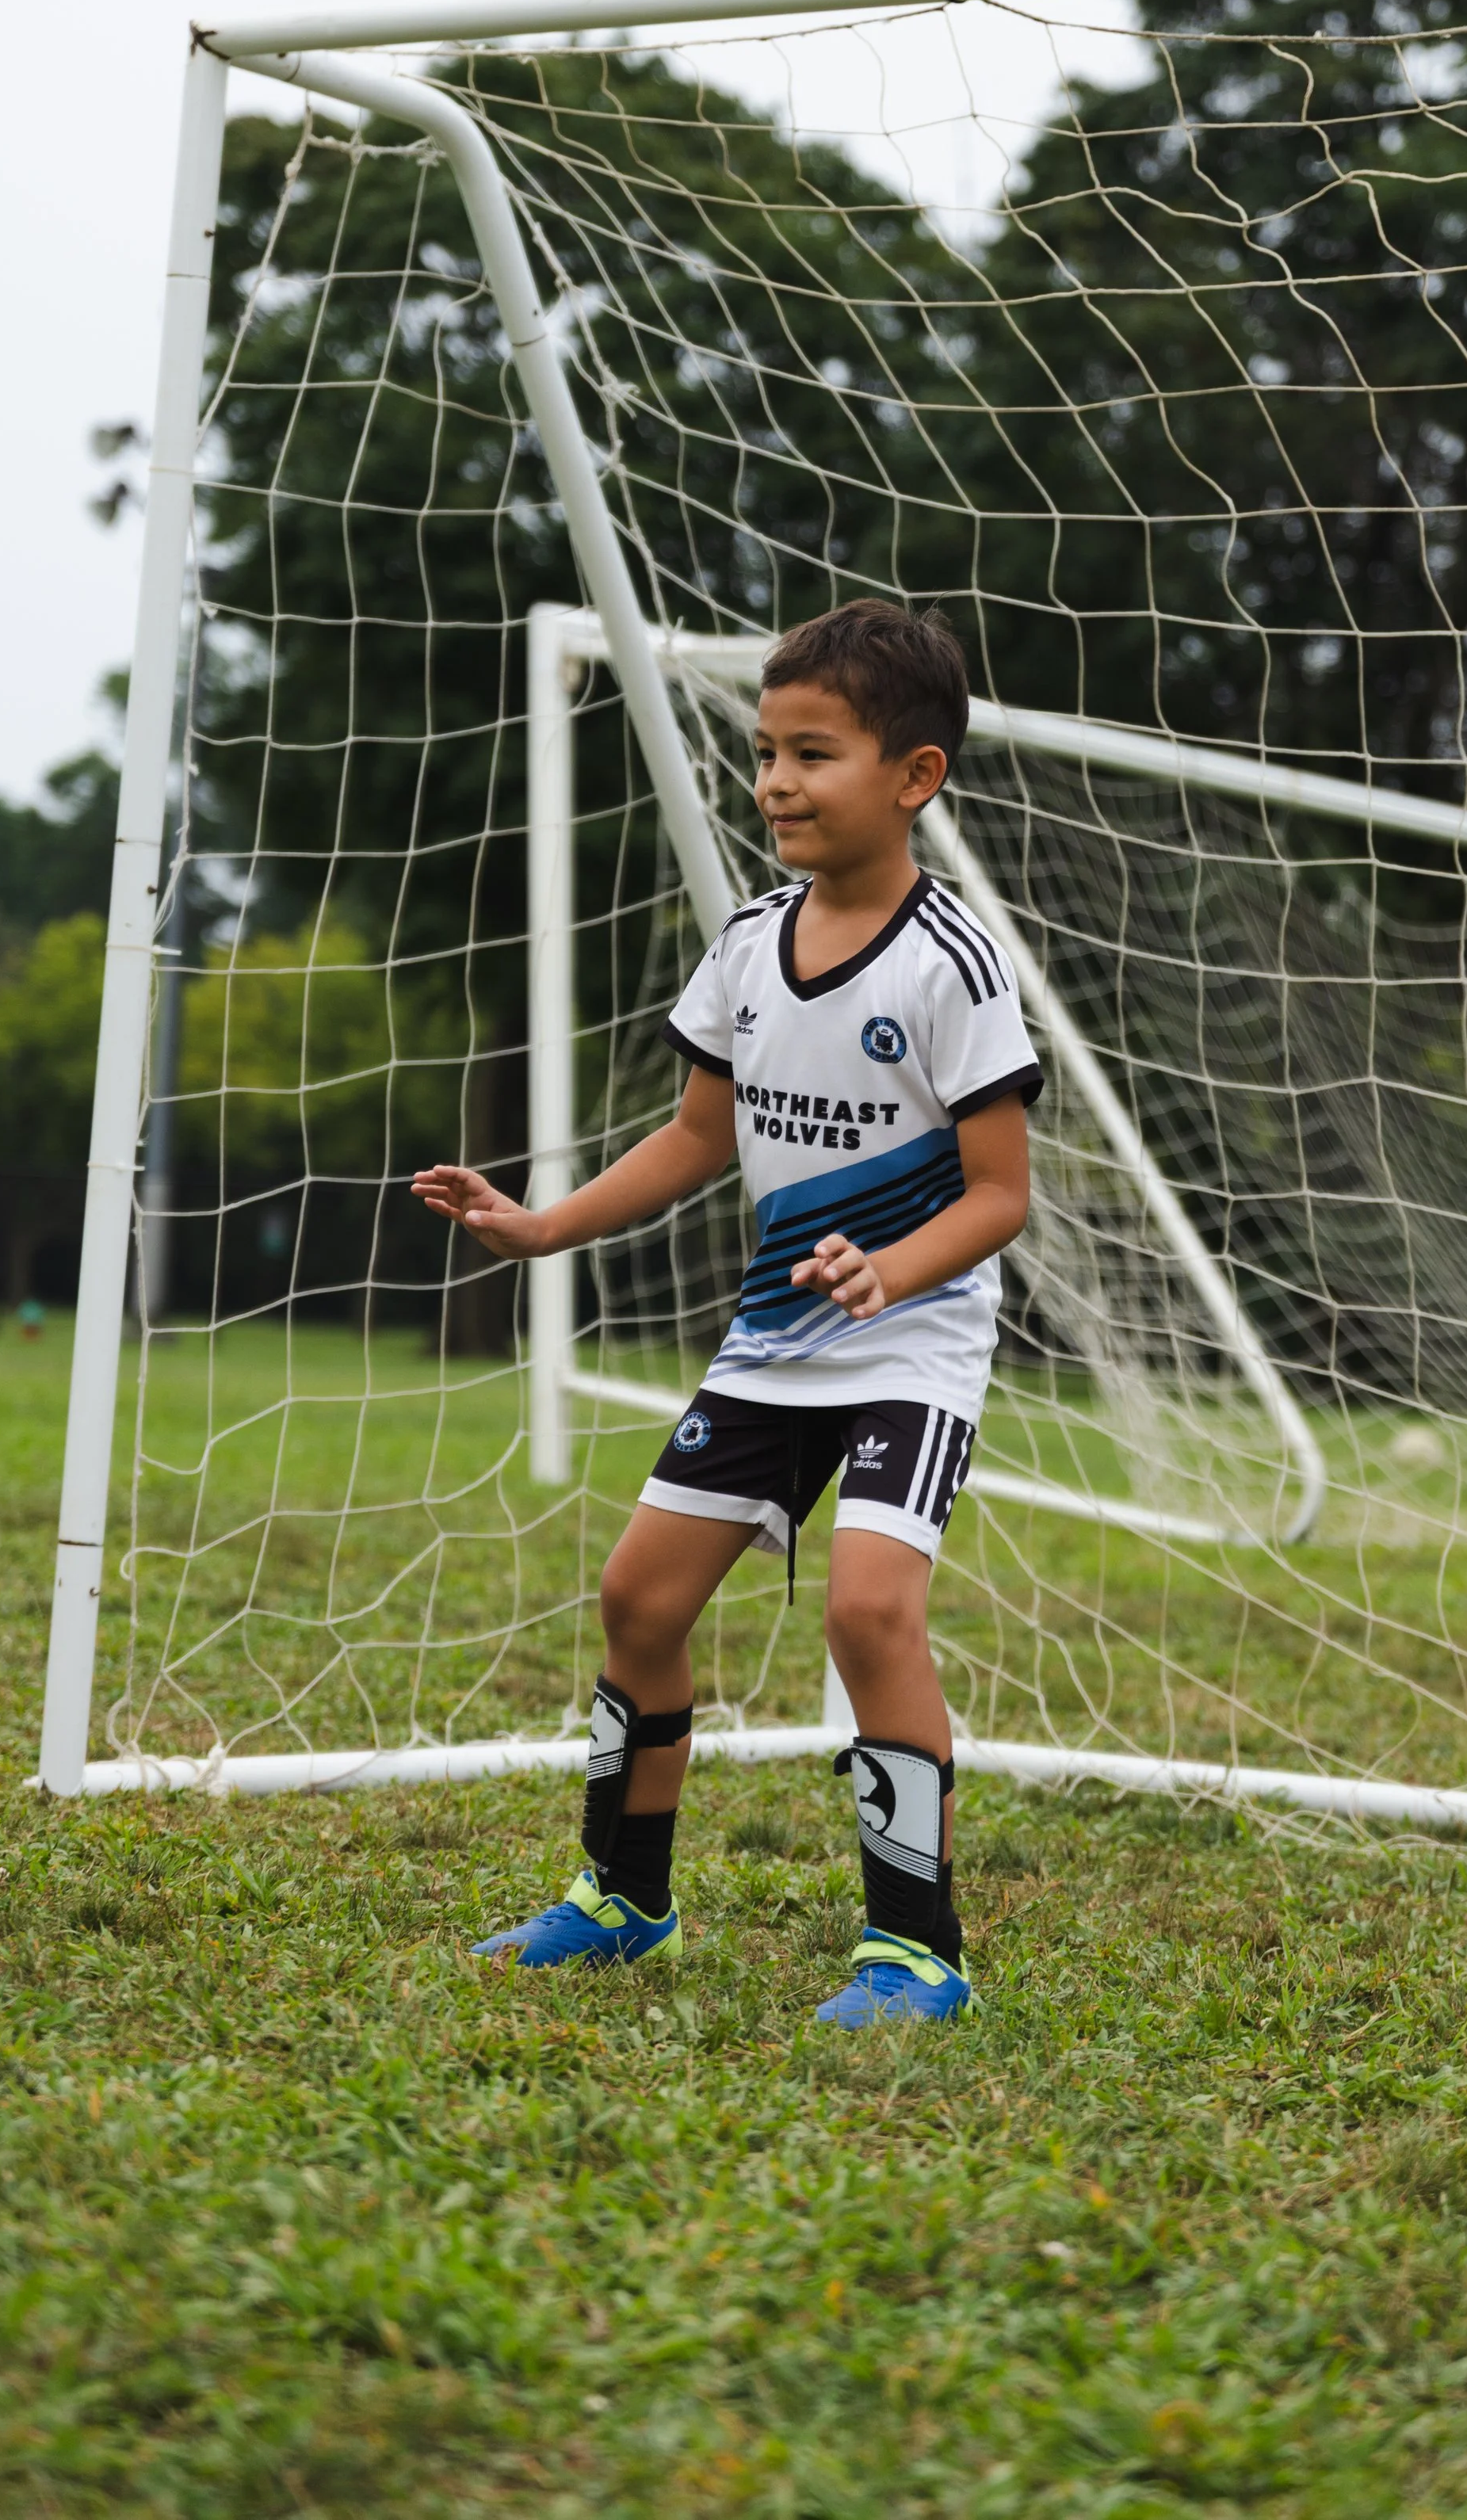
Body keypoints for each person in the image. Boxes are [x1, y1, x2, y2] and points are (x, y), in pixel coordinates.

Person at [412, 600, 1042, 2024]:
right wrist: (540, 1224)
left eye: (812, 753)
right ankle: (626, 1899)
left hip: (912, 1349)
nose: (773, 782)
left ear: (913, 776)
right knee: (639, 1594)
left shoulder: (955, 963)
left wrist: (894, 1267)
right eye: (765, 752)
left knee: (870, 1614)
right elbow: (697, 1137)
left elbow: (1001, 1195)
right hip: (773, 1348)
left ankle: (915, 1951)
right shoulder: (751, 943)